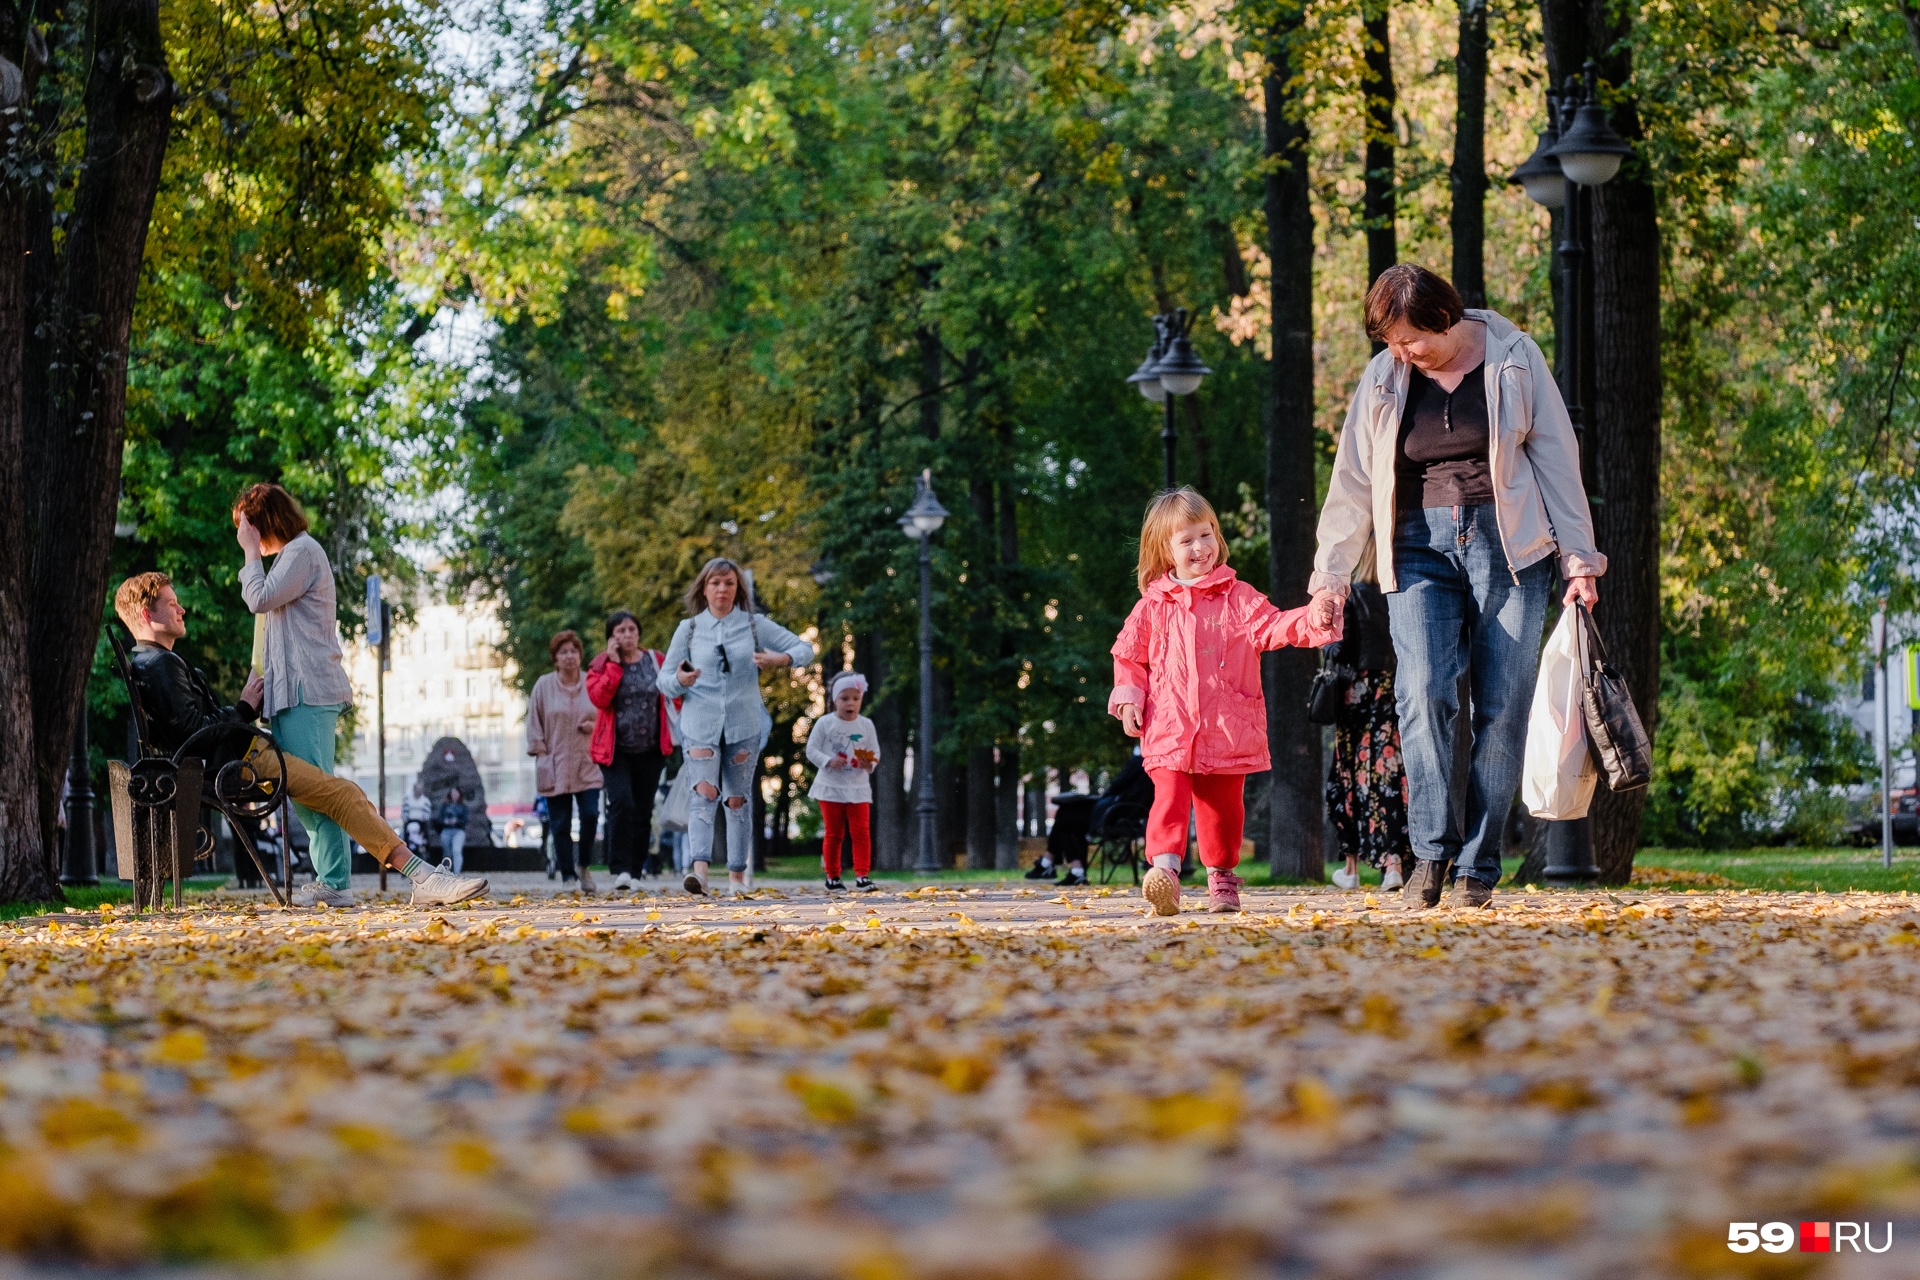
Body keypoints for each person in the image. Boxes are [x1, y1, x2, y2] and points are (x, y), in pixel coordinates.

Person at [1309, 264, 1604, 910]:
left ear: (1445, 320)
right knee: (1422, 693)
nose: (1400, 351)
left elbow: (1556, 459)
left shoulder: (1514, 359)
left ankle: (1478, 864)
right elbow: (1353, 481)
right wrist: (1329, 578)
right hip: (1416, 546)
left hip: (1511, 548)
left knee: (1502, 706)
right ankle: (1431, 853)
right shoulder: (1384, 379)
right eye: (1390, 340)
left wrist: (1580, 559)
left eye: (1410, 339)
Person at [113, 572, 487, 906]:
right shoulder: (160, 665)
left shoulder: (153, 662)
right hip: (243, 761)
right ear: (148, 615)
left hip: (239, 755)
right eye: (172, 605)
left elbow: (190, 729)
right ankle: (424, 878)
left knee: (335, 794)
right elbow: (193, 734)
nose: (182, 611)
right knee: (343, 794)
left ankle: (354, 883)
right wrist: (244, 707)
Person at [1110, 488, 1335, 915]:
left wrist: (1312, 616)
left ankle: (1222, 879)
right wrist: (1128, 698)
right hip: (1169, 724)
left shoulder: (1238, 597)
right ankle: (1166, 873)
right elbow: (1129, 656)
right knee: (1169, 797)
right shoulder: (1152, 606)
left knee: (1221, 811)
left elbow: (1274, 626)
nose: (1200, 547)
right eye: (1187, 540)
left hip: (1227, 726)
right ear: (1165, 549)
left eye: (1206, 534)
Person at [232, 482, 359, 908]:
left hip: (308, 693)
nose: (246, 537)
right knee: (304, 791)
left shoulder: (302, 552)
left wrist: (250, 552)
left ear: (264, 524)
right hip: (291, 695)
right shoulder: (291, 557)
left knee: (316, 789)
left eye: (248, 528)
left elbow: (259, 599)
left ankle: (335, 882)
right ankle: (331, 879)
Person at [659, 557, 814, 896]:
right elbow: (664, 679)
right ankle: (698, 874)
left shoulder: (755, 626)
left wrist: (781, 659)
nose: (722, 589)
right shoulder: (689, 629)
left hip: (744, 724)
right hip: (700, 724)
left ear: (738, 589)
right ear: (704, 588)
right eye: (715, 583)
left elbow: (806, 649)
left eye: (729, 583)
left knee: (738, 800)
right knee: (703, 795)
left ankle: (736, 879)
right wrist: (681, 680)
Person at [1323, 536, 1411, 891]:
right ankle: (1394, 866)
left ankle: (1352, 869)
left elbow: (1338, 649)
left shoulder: (1353, 595)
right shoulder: (1402, 596)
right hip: (1394, 693)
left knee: (1351, 776)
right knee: (1390, 774)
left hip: (1356, 697)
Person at [586, 611, 675, 891]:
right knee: (621, 802)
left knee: (643, 809)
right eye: (620, 631)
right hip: (616, 750)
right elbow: (599, 698)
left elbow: (674, 691)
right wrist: (613, 665)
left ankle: (636, 871)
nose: (627, 635)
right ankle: (620, 868)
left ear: (638, 633)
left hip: (651, 750)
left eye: (631, 629)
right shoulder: (601, 664)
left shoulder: (656, 660)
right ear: (611, 638)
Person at [527, 628, 602, 892]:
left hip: (587, 762)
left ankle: (584, 864)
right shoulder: (544, 686)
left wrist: (594, 726)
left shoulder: (591, 682)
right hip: (554, 763)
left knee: (591, 814)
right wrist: (540, 752)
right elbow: (534, 721)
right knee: (560, 823)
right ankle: (568, 875)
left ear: (580, 656)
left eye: (573, 651)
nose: (569, 656)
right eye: (563, 652)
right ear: (555, 658)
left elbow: (604, 715)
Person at [1029, 751, 1155, 887]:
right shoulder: (1157, 765)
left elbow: (1117, 786)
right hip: (1123, 814)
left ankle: (1056, 865)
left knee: (1065, 816)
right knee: (1067, 815)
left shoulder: (1140, 761)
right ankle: (1060, 866)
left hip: (1115, 816)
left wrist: (1102, 797)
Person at [805, 670, 880, 891]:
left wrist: (869, 763)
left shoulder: (866, 725)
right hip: (830, 787)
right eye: (844, 698)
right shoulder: (825, 723)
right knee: (834, 832)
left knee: (861, 832)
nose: (851, 704)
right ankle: (832, 876)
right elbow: (811, 749)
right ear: (834, 700)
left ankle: (862, 875)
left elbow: (874, 750)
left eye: (856, 699)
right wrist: (828, 761)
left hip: (858, 787)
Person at [438, 787, 469, 873]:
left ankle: (457, 873)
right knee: (447, 853)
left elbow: (465, 820)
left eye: (456, 793)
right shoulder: (445, 805)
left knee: (456, 851)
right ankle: (446, 872)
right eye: (453, 793)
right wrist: (445, 821)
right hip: (446, 831)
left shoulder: (463, 806)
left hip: (458, 831)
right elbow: (439, 819)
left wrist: (457, 821)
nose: (454, 795)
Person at [402, 782, 434, 861]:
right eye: (418, 789)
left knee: (423, 846)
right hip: (409, 825)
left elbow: (427, 814)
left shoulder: (425, 801)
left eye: (421, 789)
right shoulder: (407, 800)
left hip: (421, 825)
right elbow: (404, 813)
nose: (419, 791)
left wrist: (423, 819)